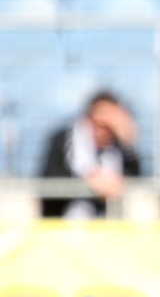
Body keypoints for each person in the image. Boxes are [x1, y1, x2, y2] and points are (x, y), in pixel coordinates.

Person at [41, 90, 140, 218]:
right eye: (100, 124)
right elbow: (50, 181)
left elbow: (134, 178)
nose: (103, 131)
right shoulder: (62, 140)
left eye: (110, 127)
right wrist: (89, 182)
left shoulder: (119, 148)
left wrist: (127, 142)